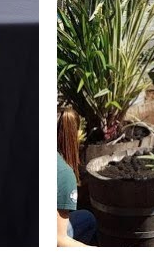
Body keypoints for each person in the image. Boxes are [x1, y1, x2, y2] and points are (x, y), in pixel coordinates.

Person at [57, 105, 98, 245]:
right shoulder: (64, 174)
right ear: (73, 134)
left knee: (86, 218)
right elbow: (57, 239)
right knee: (88, 220)